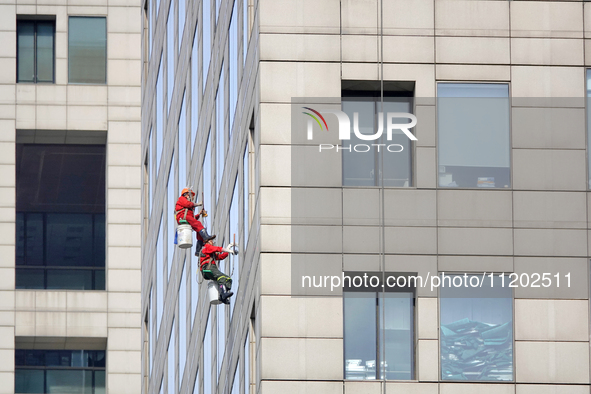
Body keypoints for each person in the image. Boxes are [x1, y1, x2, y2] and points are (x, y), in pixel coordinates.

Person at [175, 188, 215, 252]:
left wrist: (199, 214)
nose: (193, 197)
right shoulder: (182, 199)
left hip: (186, 217)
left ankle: (198, 250)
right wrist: (197, 204)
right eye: (191, 195)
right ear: (186, 194)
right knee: (198, 223)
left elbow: (192, 219)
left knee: (198, 230)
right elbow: (187, 204)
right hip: (181, 216)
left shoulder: (190, 207)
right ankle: (205, 236)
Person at [199, 238, 238, 304]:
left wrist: (228, 248)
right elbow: (217, 249)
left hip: (210, 268)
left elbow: (220, 257)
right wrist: (228, 250)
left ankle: (222, 296)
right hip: (208, 267)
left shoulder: (209, 252)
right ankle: (223, 294)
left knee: (227, 279)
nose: (213, 242)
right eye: (211, 241)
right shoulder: (206, 247)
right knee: (221, 278)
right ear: (207, 242)